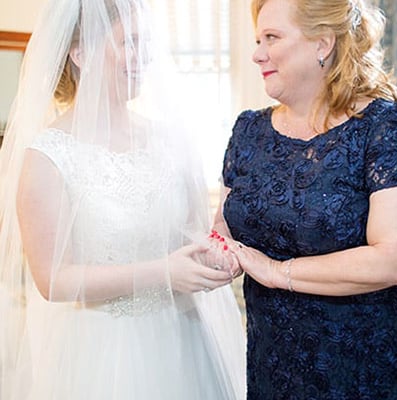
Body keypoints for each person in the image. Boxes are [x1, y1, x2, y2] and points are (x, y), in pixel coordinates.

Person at [0, 0, 245, 399]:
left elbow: (191, 235)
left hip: (183, 336)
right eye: (129, 43)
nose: (143, 56)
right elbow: (53, 280)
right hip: (102, 350)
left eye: (145, 42)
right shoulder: (47, 156)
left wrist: (216, 250)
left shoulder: (169, 139)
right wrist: (163, 273)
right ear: (80, 53)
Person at [213, 0, 397, 398]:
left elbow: (396, 260)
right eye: (257, 39)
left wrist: (275, 271)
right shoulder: (248, 131)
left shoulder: (387, 130)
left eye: (272, 37)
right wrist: (216, 253)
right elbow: (226, 223)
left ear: (322, 43)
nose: (257, 53)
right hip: (276, 356)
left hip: (369, 361)